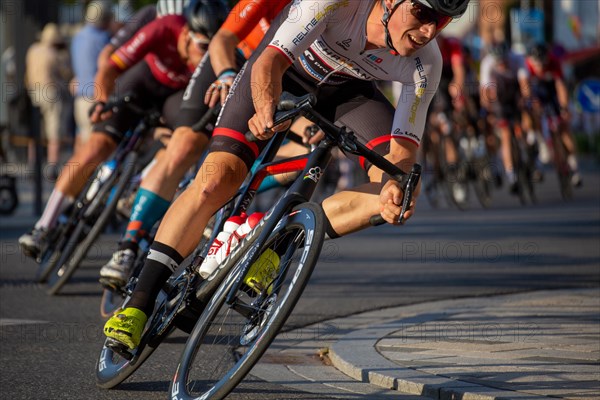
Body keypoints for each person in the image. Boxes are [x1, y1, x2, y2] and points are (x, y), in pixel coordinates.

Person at [103, 0, 470, 350]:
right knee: (218, 179)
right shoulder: (339, 4)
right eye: (421, 12)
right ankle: (138, 303)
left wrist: (392, 193)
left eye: (440, 22)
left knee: (401, 187)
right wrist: (265, 109)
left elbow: (403, 155)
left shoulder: (427, 63)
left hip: (350, 94)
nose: (427, 30)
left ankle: (277, 234)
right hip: (284, 69)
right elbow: (270, 64)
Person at [99, 0, 290, 288]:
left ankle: (231, 203)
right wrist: (225, 74)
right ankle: (128, 245)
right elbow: (222, 40)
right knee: (185, 144)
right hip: (230, 59)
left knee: (307, 150)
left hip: (281, 76)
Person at [18, 1, 225, 260]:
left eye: (209, 52)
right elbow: (110, 65)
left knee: (179, 142)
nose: (202, 59)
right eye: (202, 48)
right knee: (97, 145)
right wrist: (102, 100)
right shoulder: (165, 26)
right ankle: (44, 225)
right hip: (141, 83)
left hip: (174, 97)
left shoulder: (207, 60)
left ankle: (139, 187)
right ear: (185, 34)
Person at [523, 43, 582, 187]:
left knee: (564, 129)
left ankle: (574, 167)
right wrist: (532, 103)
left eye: (542, 63)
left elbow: (561, 87)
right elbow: (526, 88)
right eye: (536, 64)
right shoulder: (527, 66)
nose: (540, 67)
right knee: (532, 115)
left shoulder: (555, 63)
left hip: (553, 94)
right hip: (538, 95)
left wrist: (564, 107)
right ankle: (539, 145)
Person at [479, 42, 529, 194]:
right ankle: (511, 175)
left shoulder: (518, 58)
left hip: (515, 91)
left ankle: (531, 142)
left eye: (503, 61)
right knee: (506, 134)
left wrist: (525, 101)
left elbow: (525, 84)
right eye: (498, 62)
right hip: (499, 96)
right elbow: (486, 93)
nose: (501, 64)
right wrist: (490, 110)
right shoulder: (487, 63)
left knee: (528, 110)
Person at [24, 23, 72, 173]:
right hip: (50, 92)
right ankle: (52, 167)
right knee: (54, 133)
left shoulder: (32, 50)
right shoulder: (54, 54)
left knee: (35, 132)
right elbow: (66, 74)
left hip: (33, 92)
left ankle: (33, 164)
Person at [70, 0, 113, 153]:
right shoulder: (104, 39)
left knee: (82, 140)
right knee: (97, 147)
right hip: (97, 98)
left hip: (80, 97)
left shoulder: (77, 37)